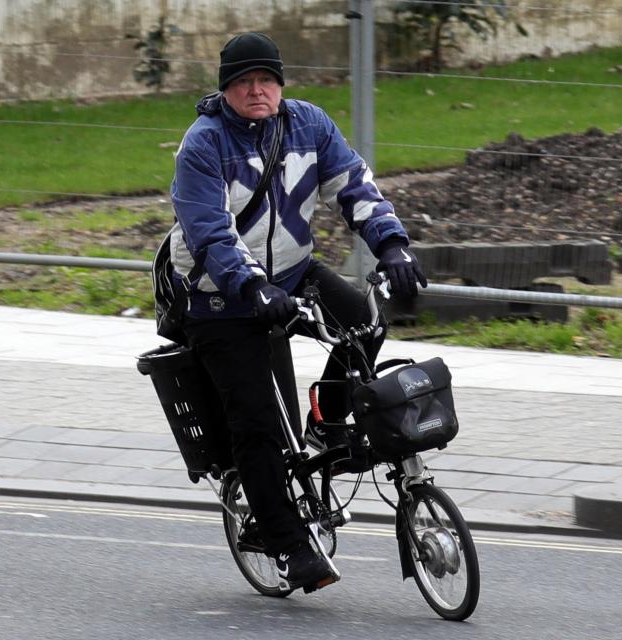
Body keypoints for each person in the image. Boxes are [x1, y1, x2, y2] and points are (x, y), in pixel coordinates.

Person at [163, 32, 427, 591]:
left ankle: (328, 423)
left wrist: (392, 245)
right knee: (258, 420)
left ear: (280, 84)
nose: (256, 91)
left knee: (363, 319)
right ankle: (287, 545)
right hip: (218, 296)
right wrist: (251, 288)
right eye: (243, 82)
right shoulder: (203, 145)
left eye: (266, 80)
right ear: (226, 90)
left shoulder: (307, 123)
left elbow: (354, 186)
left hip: (292, 271)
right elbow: (210, 233)